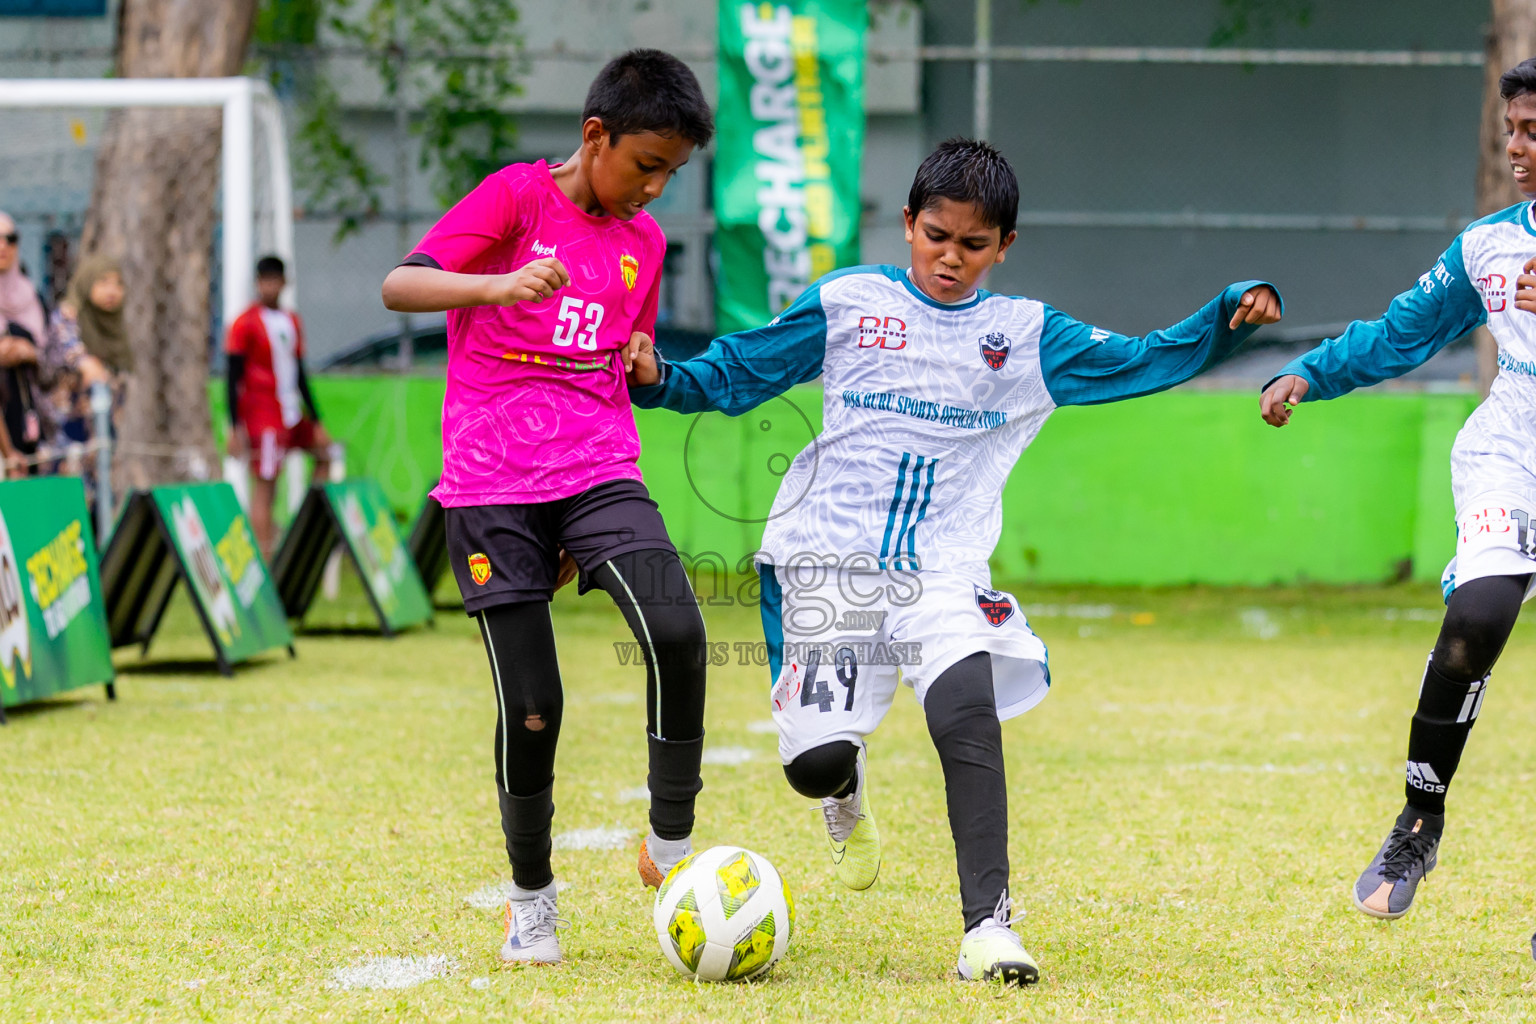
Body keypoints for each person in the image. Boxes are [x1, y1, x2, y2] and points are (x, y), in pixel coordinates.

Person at [627, 138, 1282, 986]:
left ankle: (988, 930)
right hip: (825, 561)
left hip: (941, 565)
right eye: (937, 236)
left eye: (974, 245)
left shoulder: (1026, 335)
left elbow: (1142, 358)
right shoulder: (850, 302)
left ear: (1004, 246)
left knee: (965, 708)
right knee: (814, 764)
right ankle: (844, 787)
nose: (951, 257)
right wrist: (662, 378)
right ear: (908, 224)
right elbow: (744, 369)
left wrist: (1225, 317)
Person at [380, 49, 715, 967]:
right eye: (646, 165)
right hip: (492, 483)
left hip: (597, 468)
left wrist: (644, 362)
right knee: (533, 706)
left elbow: (625, 351)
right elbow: (401, 285)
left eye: (671, 173)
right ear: (594, 135)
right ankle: (531, 900)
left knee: (678, 629)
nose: (655, 189)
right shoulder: (517, 200)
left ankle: (671, 844)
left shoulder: (644, 244)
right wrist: (496, 283)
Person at [1260, 56, 1536, 929]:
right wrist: (1312, 372)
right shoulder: (1490, 246)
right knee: (1478, 615)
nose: (1517, 148)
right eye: (1511, 130)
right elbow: (1401, 333)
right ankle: (1419, 817)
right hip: (1512, 448)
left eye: (1534, 133)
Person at [225, 255, 333, 557]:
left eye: (275, 280)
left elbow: (300, 373)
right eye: (265, 281)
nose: (270, 287)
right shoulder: (244, 323)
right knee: (266, 486)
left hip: (292, 413)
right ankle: (264, 557)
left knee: (325, 454)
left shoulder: (291, 321)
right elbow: (232, 378)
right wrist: (234, 426)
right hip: (264, 416)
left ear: (284, 283)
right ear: (257, 283)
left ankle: (305, 532)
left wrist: (317, 420)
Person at [39, 254, 126, 479]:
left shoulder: (114, 326)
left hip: (101, 436)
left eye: (118, 284)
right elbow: (84, 365)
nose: (112, 291)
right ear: (87, 282)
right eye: (103, 282)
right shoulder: (67, 316)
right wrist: (91, 368)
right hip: (62, 434)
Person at [0, 212, 50, 472]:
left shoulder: (32, 298)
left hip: (29, 420)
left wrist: (31, 353)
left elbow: (54, 365)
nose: (3, 246)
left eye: (10, 239)